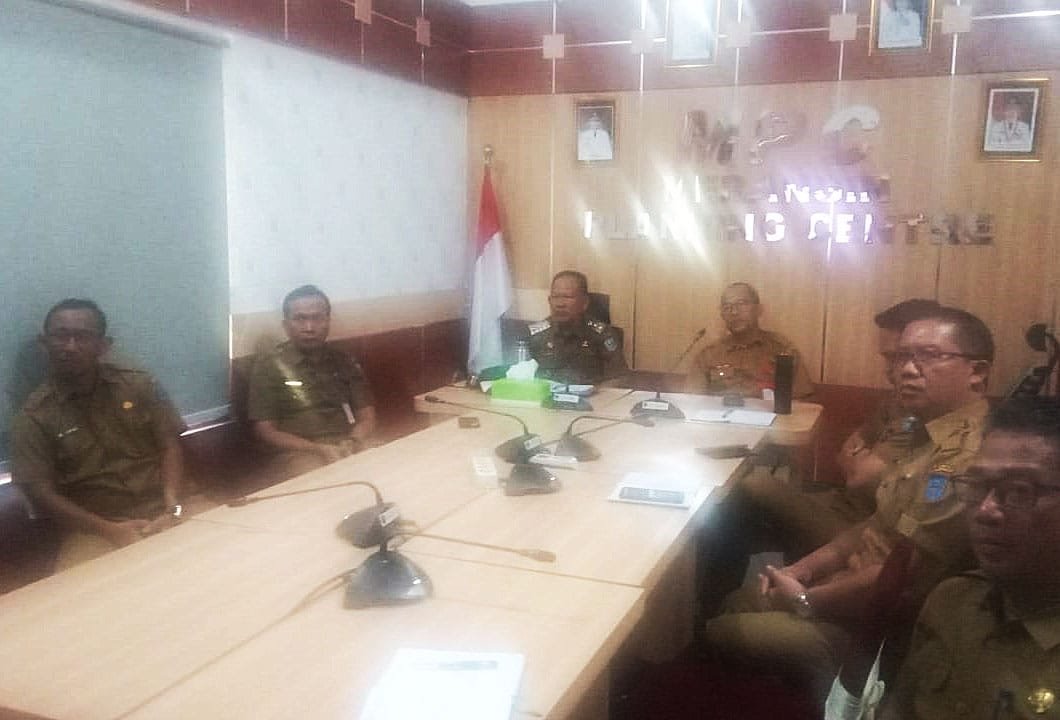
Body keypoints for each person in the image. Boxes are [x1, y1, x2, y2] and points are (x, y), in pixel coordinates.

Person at [701, 306, 994, 703]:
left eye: (928, 356)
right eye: (902, 357)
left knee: (721, 631)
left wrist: (806, 600)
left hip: (881, 627)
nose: (907, 370)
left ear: (977, 372)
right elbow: (872, 526)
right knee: (739, 600)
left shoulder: (968, 458)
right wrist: (802, 570)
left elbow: (904, 580)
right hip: (852, 584)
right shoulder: (926, 431)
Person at [698, 300, 942, 623]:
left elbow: (860, 476)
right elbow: (847, 451)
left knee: (748, 492)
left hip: (860, 525)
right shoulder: (896, 400)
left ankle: (714, 611)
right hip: (848, 509)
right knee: (736, 509)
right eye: (893, 358)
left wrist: (858, 457)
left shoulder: (921, 415)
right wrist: (858, 457)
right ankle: (715, 602)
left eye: (898, 357)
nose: (894, 369)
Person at [830, 396, 1060, 720]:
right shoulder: (952, 601)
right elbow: (899, 709)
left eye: (1019, 491)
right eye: (977, 486)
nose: (985, 510)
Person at [11, 299, 187, 570]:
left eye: (82, 336)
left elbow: (169, 446)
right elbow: (40, 493)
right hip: (94, 531)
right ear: (44, 343)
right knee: (88, 592)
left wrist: (172, 506)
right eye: (60, 336)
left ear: (103, 346)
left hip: (168, 508)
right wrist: (109, 530)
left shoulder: (138, 384)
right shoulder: (34, 416)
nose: (70, 346)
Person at [247, 285, 377, 480]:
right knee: (322, 477)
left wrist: (354, 440)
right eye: (300, 319)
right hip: (298, 452)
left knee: (388, 459)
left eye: (317, 318)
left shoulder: (344, 360)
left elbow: (367, 416)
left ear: (328, 321)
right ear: (286, 325)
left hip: (348, 443)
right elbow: (265, 431)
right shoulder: (269, 366)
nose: (309, 327)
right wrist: (317, 448)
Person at [686, 282, 814, 399]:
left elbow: (802, 400)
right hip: (720, 416)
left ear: (758, 309)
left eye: (741, 304)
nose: (734, 312)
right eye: (727, 307)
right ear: (722, 315)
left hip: (768, 416)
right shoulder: (709, 355)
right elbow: (691, 401)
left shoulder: (782, 350)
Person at [526, 270, 627, 385]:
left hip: (591, 395)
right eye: (555, 297)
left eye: (567, 297)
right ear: (549, 301)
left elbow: (620, 377)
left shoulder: (602, 335)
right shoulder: (537, 335)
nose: (560, 304)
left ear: (584, 303)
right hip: (546, 394)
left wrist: (597, 393)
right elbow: (519, 374)